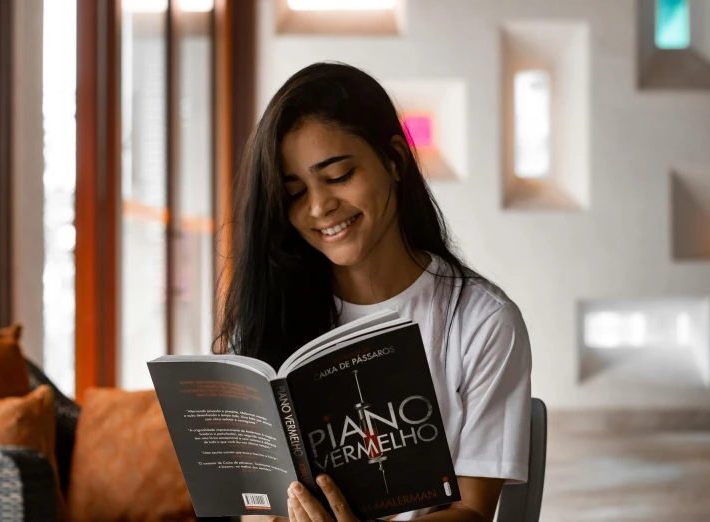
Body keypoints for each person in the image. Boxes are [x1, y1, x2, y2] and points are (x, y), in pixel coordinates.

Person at [217, 62, 531, 522]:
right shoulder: (272, 313)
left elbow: (472, 511)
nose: (320, 207)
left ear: (395, 160)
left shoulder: (481, 320)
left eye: (339, 175)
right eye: (294, 193)